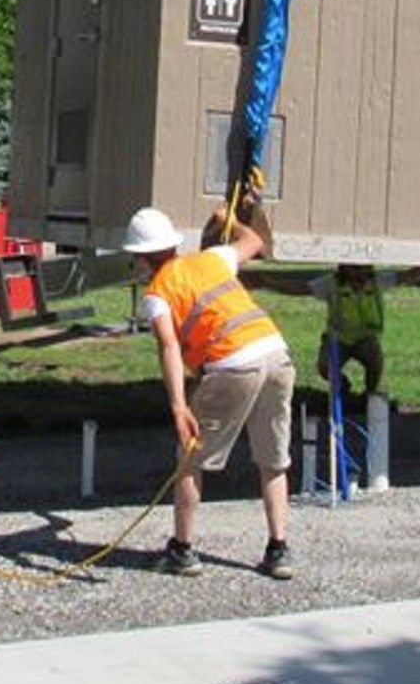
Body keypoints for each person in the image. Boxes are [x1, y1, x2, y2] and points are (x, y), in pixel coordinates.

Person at [124, 201, 296, 579]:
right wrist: (227, 220)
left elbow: (168, 345)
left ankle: (182, 550)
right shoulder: (212, 259)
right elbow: (255, 241)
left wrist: (178, 405)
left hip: (234, 364)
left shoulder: (157, 292)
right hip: (277, 354)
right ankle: (278, 549)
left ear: (140, 257)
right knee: (272, 457)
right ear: (171, 243)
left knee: (191, 459)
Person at [315, 261, 394, 402]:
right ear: (344, 268)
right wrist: (269, 282)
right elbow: (299, 287)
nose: (359, 272)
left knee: (375, 360)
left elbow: (408, 276)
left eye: (363, 268)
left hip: (364, 339)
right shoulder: (331, 284)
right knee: (325, 367)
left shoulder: (377, 281)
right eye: (354, 268)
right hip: (338, 339)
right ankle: (344, 388)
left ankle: (370, 395)